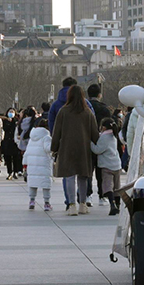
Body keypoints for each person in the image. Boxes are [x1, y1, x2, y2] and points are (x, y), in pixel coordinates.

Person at [51, 85, 99, 216]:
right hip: (84, 148)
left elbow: (57, 132)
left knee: (70, 176)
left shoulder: (63, 111)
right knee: (83, 176)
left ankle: (71, 205)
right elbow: (95, 134)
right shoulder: (88, 112)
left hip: (67, 147)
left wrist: (54, 148)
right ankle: (82, 204)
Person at [91, 117, 123, 216]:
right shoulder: (113, 135)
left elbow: (97, 150)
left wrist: (90, 143)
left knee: (108, 186)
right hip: (116, 164)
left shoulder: (104, 137)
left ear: (103, 127)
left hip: (107, 165)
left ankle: (112, 205)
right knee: (117, 187)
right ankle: (118, 205)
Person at [87, 84, 111, 206]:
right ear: (99, 95)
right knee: (101, 170)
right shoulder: (104, 109)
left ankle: (87, 195)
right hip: (102, 142)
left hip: (88, 142)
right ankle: (102, 195)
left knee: (88, 170)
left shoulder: (85, 108)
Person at [22, 117, 53, 211]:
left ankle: (32, 201)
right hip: (43, 164)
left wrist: (25, 164)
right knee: (45, 184)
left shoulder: (32, 138)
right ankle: (46, 203)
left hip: (32, 164)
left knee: (33, 183)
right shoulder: (46, 137)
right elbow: (48, 149)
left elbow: (27, 152)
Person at [1, 108, 21, 180]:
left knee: (15, 158)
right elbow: (5, 129)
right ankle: (9, 172)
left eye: (12, 112)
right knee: (8, 158)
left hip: (14, 141)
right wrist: (8, 121)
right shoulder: (5, 121)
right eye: (10, 112)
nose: (11, 113)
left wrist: (13, 122)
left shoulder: (16, 121)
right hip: (7, 141)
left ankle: (15, 171)